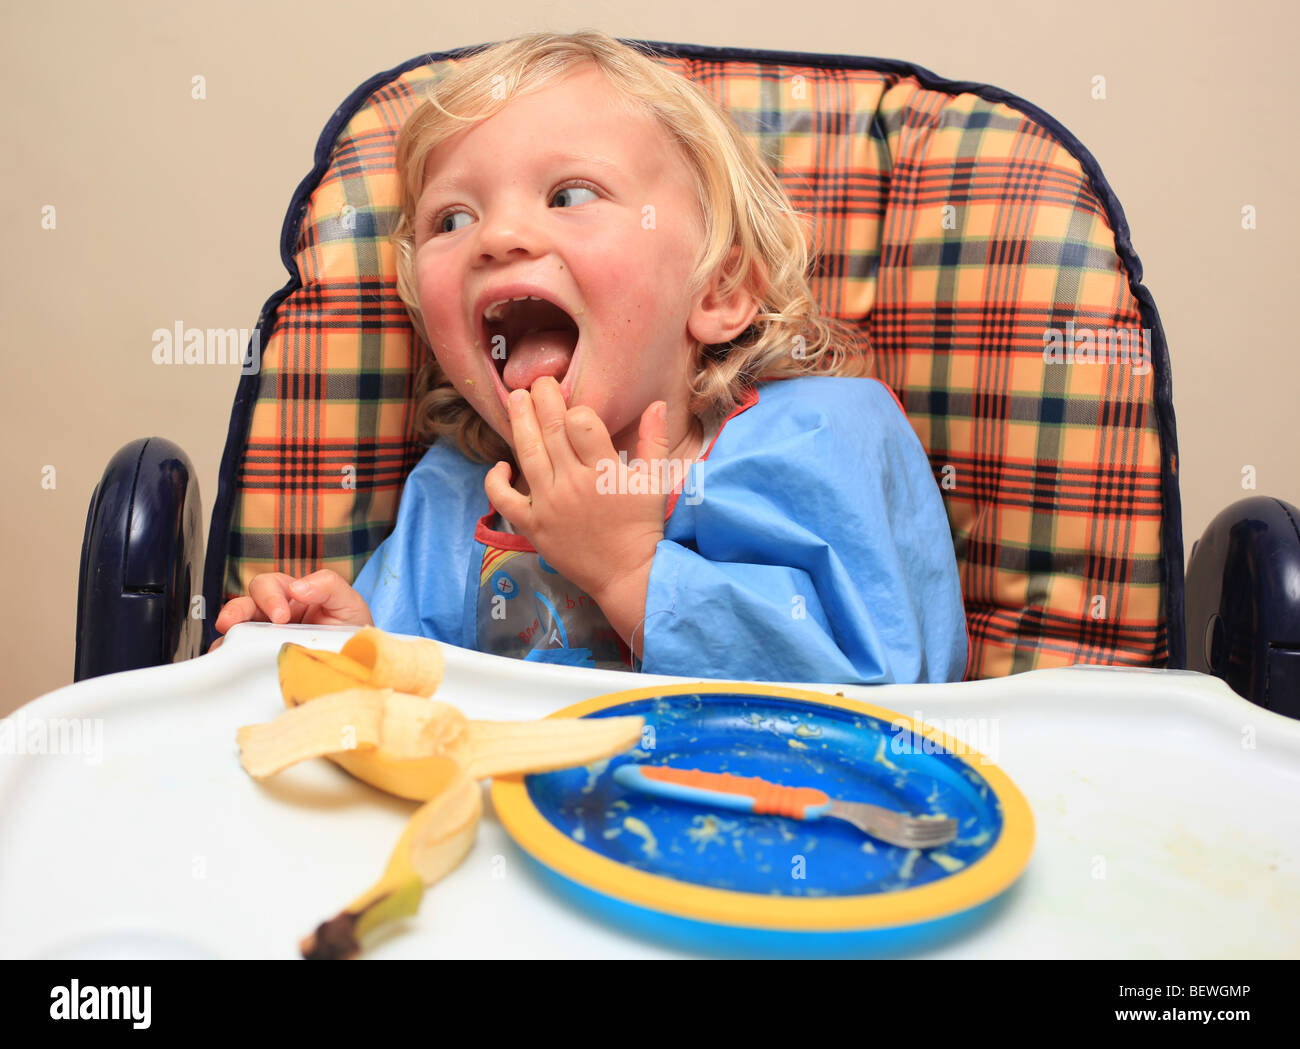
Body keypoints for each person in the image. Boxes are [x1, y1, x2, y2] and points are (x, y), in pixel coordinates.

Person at [213, 30, 967, 684]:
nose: (498, 236)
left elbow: (895, 690)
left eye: (570, 196)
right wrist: (339, 650)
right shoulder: (456, 496)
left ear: (721, 288)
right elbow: (412, 706)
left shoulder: (824, 437)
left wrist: (632, 572)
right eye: (452, 216)